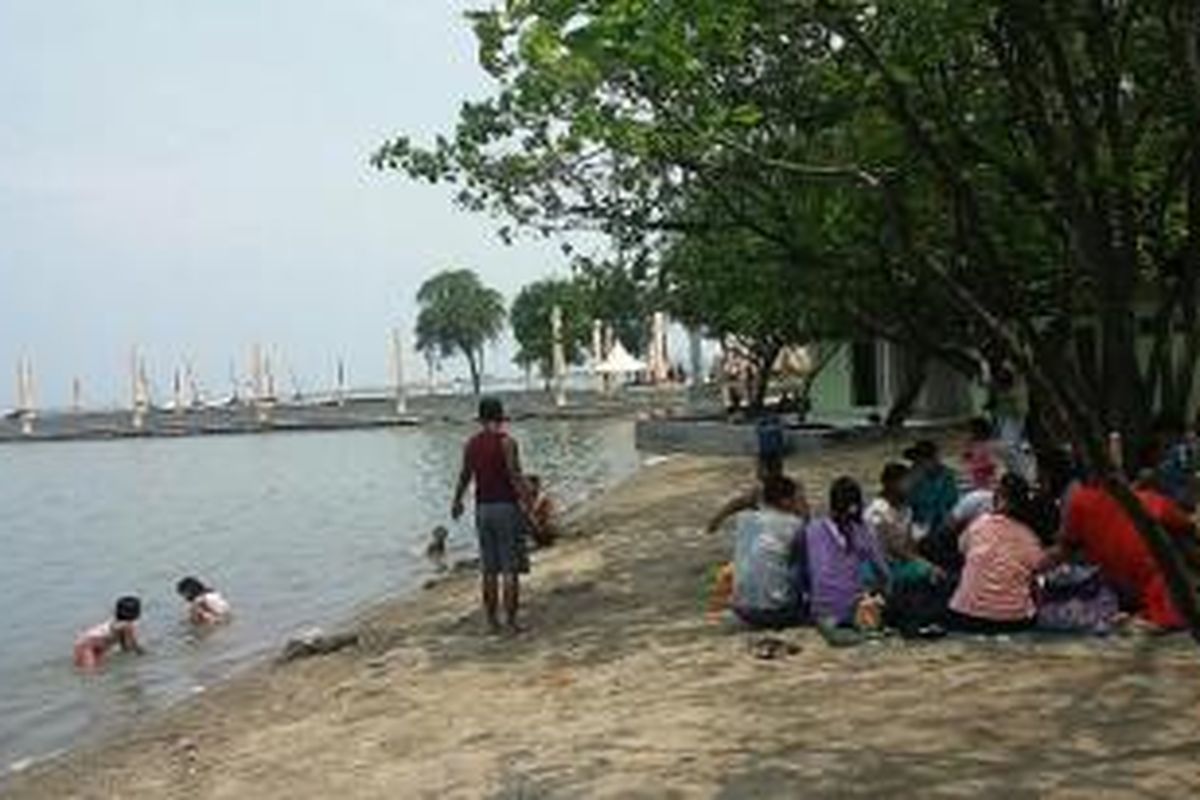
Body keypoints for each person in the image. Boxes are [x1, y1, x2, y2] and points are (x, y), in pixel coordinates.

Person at [1060, 470, 1197, 630]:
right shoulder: (1154, 501)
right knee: (1179, 541)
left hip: (1107, 591)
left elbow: (1066, 546)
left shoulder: (1079, 501)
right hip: (1147, 591)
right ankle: (1156, 615)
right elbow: (1189, 527)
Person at [452, 397, 531, 635]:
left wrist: (456, 501)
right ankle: (512, 622)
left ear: (481, 419)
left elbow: (465, 475)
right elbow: (515, 476)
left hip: (482, 509)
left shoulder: (471, 444)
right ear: (500, 418)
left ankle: (491, 622)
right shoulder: (507, 443)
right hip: (505, 507)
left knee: (489, 569)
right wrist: (528, 504)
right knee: (509, 568)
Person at [947, 474, 1047, 634]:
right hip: (1012, 622)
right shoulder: (1031, 539)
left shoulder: (978, 525)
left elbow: (962, 550)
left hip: (965, 616)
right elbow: (1038, 571)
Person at [805, 477, 891, 627]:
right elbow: (882, 571)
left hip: (819, 609)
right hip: (849, 609)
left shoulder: (812, 529)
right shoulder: (860, 530)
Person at [729, 475, 809, 629]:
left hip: (741, 609)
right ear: (785, 501)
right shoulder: (793, 524)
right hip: (775, 612)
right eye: (795, 498)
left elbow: (744, 503)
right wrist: (803, 505)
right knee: (801, 560)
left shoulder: (744, 518)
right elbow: (810, 539)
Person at [865, 462, 944, 585]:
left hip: (901, 560)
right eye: (905, 482)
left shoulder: (905, 508)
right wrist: (925, 565)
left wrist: (921, 560)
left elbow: (909, 541)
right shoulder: (877, 512)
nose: (910, 486)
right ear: (890, 484)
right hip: (882, 566)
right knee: (929, 573)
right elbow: (895, 549)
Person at [905, 440, 960, 542]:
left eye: (923, 459)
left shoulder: (946, 476)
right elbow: (908, 504)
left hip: (942, 525)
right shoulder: (913, 476)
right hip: (919, 526)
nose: (917, 464)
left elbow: (951, 503)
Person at [73, 596, 143, 670]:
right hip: (86, 645)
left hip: (95, 644)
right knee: (90, 674)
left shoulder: (119, 623)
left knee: (99, 671)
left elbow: (127, 644)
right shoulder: (126, 626)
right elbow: (128, 646)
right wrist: (140, 654)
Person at [963, 417, 1000, 491]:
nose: (974, 432)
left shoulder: (991, 443)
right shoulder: (970, 443)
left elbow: (994, 461)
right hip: (977, 473)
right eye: (973, 430)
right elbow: (966, 457)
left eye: (977, 430)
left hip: (988, 473)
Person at [526, 475, 559, 549]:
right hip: (542, 522)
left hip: (545, 523)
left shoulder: (541, 495)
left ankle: (544, 538)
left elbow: (536, 510)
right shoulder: (531, 496)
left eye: (529, 485)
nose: (527, 487)